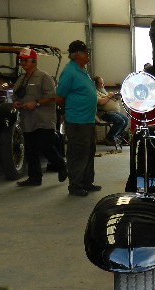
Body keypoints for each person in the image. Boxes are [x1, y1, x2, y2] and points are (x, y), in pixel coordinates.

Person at [12, 47, 67, 187]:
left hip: (43, 119)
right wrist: (16, 102)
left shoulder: (44, 77)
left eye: (25, 60)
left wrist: (36, 103)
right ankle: (35, 178)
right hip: (28, 120)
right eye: (21, 60)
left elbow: (52, 96)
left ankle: (61, 165)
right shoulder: (21, 79)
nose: (23, 63)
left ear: (34, 61)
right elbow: (15, 94)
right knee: (30, 150)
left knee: (46, 146)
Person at [56, 40, 99, 197]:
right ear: (76, 55)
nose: (87, 54)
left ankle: (87, 182)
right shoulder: (69, 71)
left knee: (88, 151)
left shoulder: (83, 71)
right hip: (77, 120)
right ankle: (75, 185)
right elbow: (60, 96)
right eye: (84, 52)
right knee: (77, 153)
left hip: (87, 120)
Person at [94, 76, 129, 146]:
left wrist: (116, 96)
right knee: (120, 121)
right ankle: (109, 137)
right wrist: (109, 96)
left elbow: (109, 99)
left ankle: (115, 136)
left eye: (103, 83)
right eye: (101, 83)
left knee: (126, 120)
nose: (103, 85)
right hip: (104, 113)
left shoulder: (103, 91)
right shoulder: (95, 92)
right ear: (96, 84)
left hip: (114, 112)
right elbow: (100, 102)